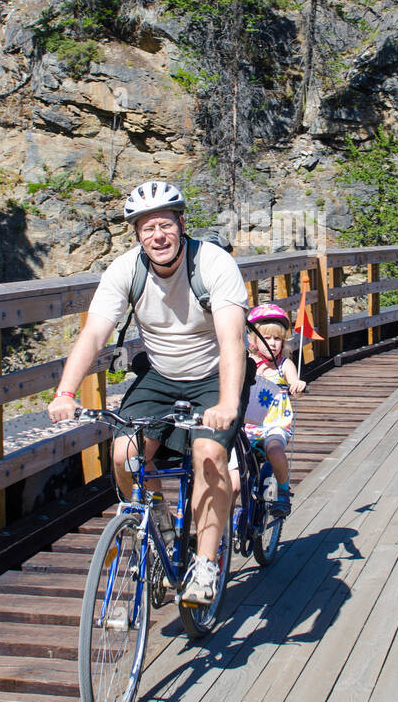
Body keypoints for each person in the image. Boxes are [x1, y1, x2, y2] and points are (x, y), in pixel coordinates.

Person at [48, 180, 249, 607]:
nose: (157, 235)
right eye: (146, 228)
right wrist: (66, 392)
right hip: (160, 374)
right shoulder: (126, 270)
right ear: (137, 235)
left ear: (181, 224)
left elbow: (233, 341)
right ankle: (156, 520)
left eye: (164, 224)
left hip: (215, 375)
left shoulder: (213, 263)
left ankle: (207, 564)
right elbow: (95, 333)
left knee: (209, 457)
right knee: (124, 454)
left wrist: (228, 403)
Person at [240, 302, 306, 518]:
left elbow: (293, 380)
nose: (273, 343)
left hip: (275, 425)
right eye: (267, 338)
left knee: (275, 450)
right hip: (248, 424)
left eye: (277, 338)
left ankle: (283, 491)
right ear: (253, 340)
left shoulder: (283, 365)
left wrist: (296, 384)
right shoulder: (248, 362)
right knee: (233, 458)